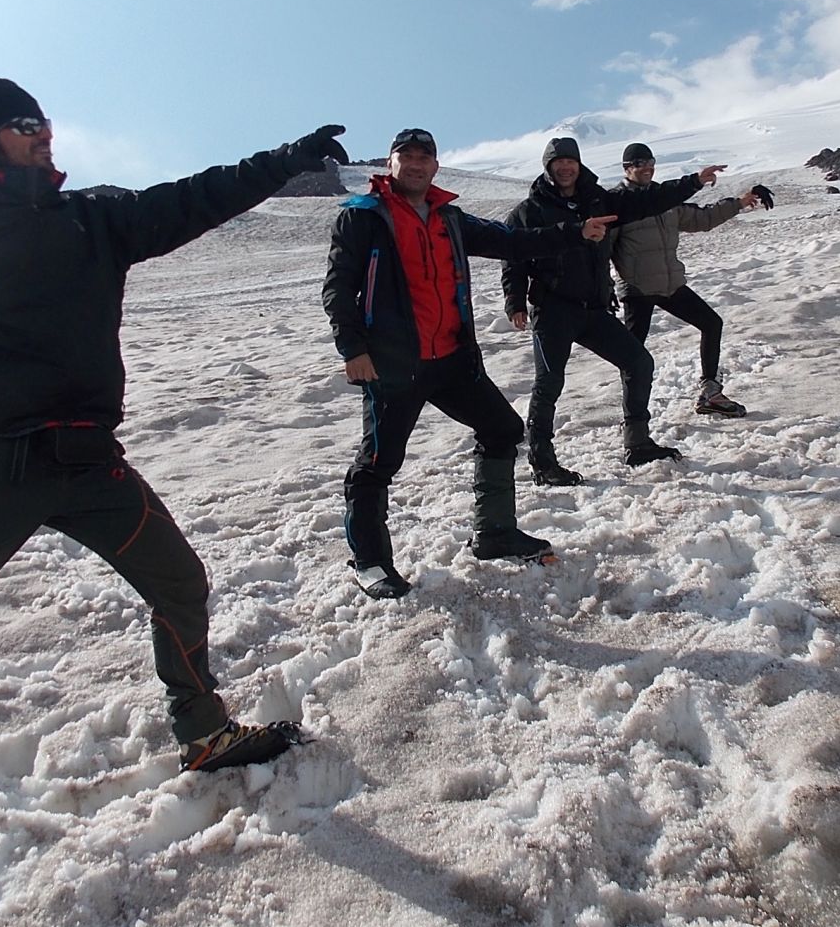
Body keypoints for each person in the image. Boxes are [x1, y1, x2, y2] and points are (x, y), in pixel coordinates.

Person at [0, 77, 349, 907]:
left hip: (90, 458)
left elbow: (193, 198)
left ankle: (204, 733)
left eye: (47, 122)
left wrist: (284, 160)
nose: (46, 136)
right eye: (27, 125)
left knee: (179, 581)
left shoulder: (90, 219)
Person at [323, 127, 617, 598]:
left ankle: (494, 533)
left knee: (502, 429)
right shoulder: (364, 217)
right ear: (390, 163)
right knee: (378, 461)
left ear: (435, 167)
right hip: (395, 366)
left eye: (425, 157)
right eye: (407, 156)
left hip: (453, 360)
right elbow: (338, 288)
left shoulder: (450, 218)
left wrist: (575, 232)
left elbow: (511, 242)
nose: (416, 165)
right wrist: (353, 350)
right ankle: (370, 561)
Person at [502, 137, 727, 485]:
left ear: (578, 165)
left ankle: (637, 442)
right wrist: (515, 300)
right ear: (548, 167)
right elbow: (513, 256)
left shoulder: (598, 200)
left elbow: (650, 199)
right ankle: (542, 462)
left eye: (570, 161)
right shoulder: (529, 211)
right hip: (553, 310)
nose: (565, 167)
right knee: (549, 384)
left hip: (593, 308)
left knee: (638, 362)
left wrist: (694, 182)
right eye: (557, 162)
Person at [611, 142, 774, 417]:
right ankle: (633, 419)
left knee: (711, 323)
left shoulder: (665, 200)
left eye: (650, 162)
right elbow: (601, 248)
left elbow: (703, 218)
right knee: (633, 357)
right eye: (640, 163)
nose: (648, 167)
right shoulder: (617, 203)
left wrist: (741, 202)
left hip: (670, 284)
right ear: (627, 169)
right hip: (638, 289)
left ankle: (710, 393)